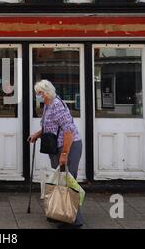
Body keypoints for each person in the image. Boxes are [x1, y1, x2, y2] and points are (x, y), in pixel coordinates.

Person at [27, 79, 84, 229]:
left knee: (67, 183)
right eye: (37, 93)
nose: (37, 96)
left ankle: (74, 220)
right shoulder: (48, 105)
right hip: (57, 147)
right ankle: (62, 213)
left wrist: (64, 154)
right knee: (60, 182)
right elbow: (50, 127)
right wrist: (37, 135)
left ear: (46, 93)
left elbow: (68, 131)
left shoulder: (57, 106)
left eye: (39, 93)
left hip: (69, 147)